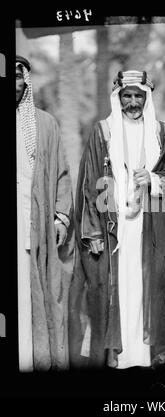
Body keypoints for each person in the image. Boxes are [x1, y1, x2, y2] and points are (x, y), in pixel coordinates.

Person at [69, 70, 165, 369]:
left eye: (138, 95)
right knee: (114, 286)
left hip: (151, 225)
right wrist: (92, 230)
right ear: (118, 97)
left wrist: (153, 179)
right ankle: (117, 356)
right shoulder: (103, 131)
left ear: (146, 97)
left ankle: (145, 356)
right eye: (126, 95)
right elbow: (90, 183)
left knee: (146, 287)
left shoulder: (162, 133)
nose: (132, 101)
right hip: (113, 226)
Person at [16, 55, 74, 371]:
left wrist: (61, 216)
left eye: (16, 76)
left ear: (26, 80)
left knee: (33, 297)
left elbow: (62, 174)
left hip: (34, 226)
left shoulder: (45, 123)